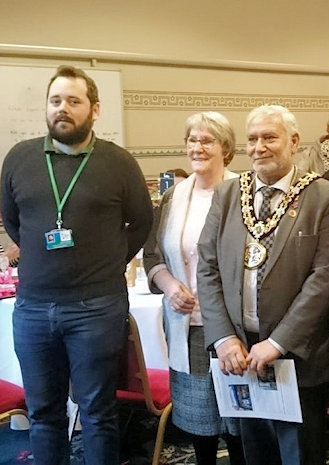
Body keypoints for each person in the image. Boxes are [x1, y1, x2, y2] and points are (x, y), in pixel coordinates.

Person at [0, 65, 154, 465]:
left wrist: (104, 261)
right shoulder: (20, 158)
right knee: (44, 413)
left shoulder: (118, 162)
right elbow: (13, 220)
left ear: (95, 110)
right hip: (32, 308)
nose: (62, 109)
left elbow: (140, 224)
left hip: (96, 308)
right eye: (55, 101)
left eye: (73, 101)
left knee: (98, 414)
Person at [197, 104, 329, 465]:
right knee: (255, 454)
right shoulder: (229, 194)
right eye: (252, 139)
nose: (259, 146)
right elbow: (207, 267)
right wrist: (223, 336)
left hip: (297, 355)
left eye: (269, 137)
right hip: (241, 354)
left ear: (294, 142)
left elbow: (322, 278)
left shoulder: (324, 197)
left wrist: (278, 342)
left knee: (299, 454)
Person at [143, 112, 244, 464]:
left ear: (225, 149)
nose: (197, 147)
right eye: (192, 140)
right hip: (188, 328)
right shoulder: (174, 196)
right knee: (199, 421)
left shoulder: (241, 193)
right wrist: (168, 284)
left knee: (239, 421)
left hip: (233, 327)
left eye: (207, 140)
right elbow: (152, 254)